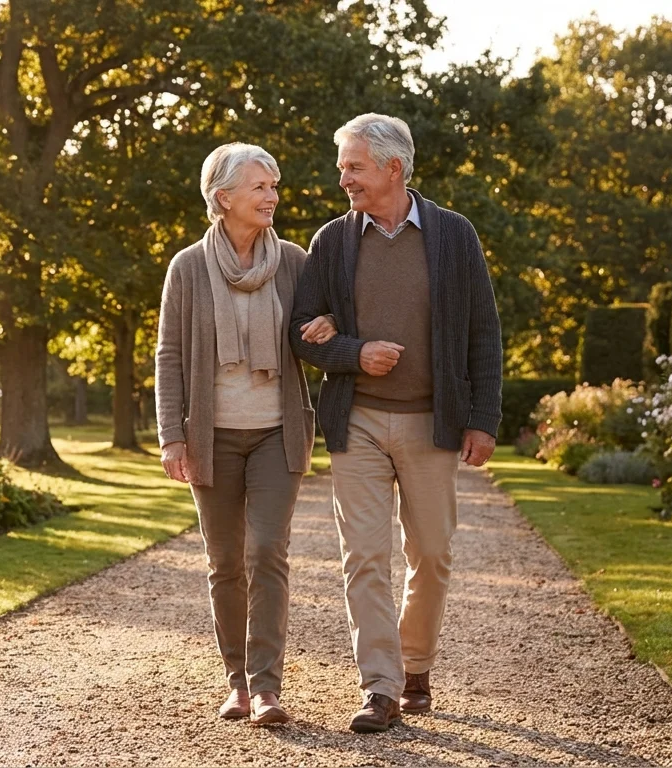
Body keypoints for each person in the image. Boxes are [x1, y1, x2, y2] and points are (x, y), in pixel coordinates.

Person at [288, 113, 504, 733]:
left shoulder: (454, 235)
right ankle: (380, 687)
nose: (344, 179)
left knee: (431, 553)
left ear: (392, 167)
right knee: (364, 556)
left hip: (432, 422)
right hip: (356, 419)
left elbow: (483, 332)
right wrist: (353, 353)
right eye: (342, 168)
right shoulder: (332, 240)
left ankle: (416, 666)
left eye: (354, 167)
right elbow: (301, 330)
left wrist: (483, 419)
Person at [155, 142, 335, 726]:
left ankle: (266, 688)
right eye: (259, 186)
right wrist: (171, 436)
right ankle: (236, 681)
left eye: (273, 186)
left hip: (276, 433)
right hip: (210, 438)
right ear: (223, 197)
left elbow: (324, 323)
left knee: (266, 552)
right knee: (225, 562)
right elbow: (169, 355)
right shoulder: (187, 267)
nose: (271, 196)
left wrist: (328, 323)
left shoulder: (293, 261)